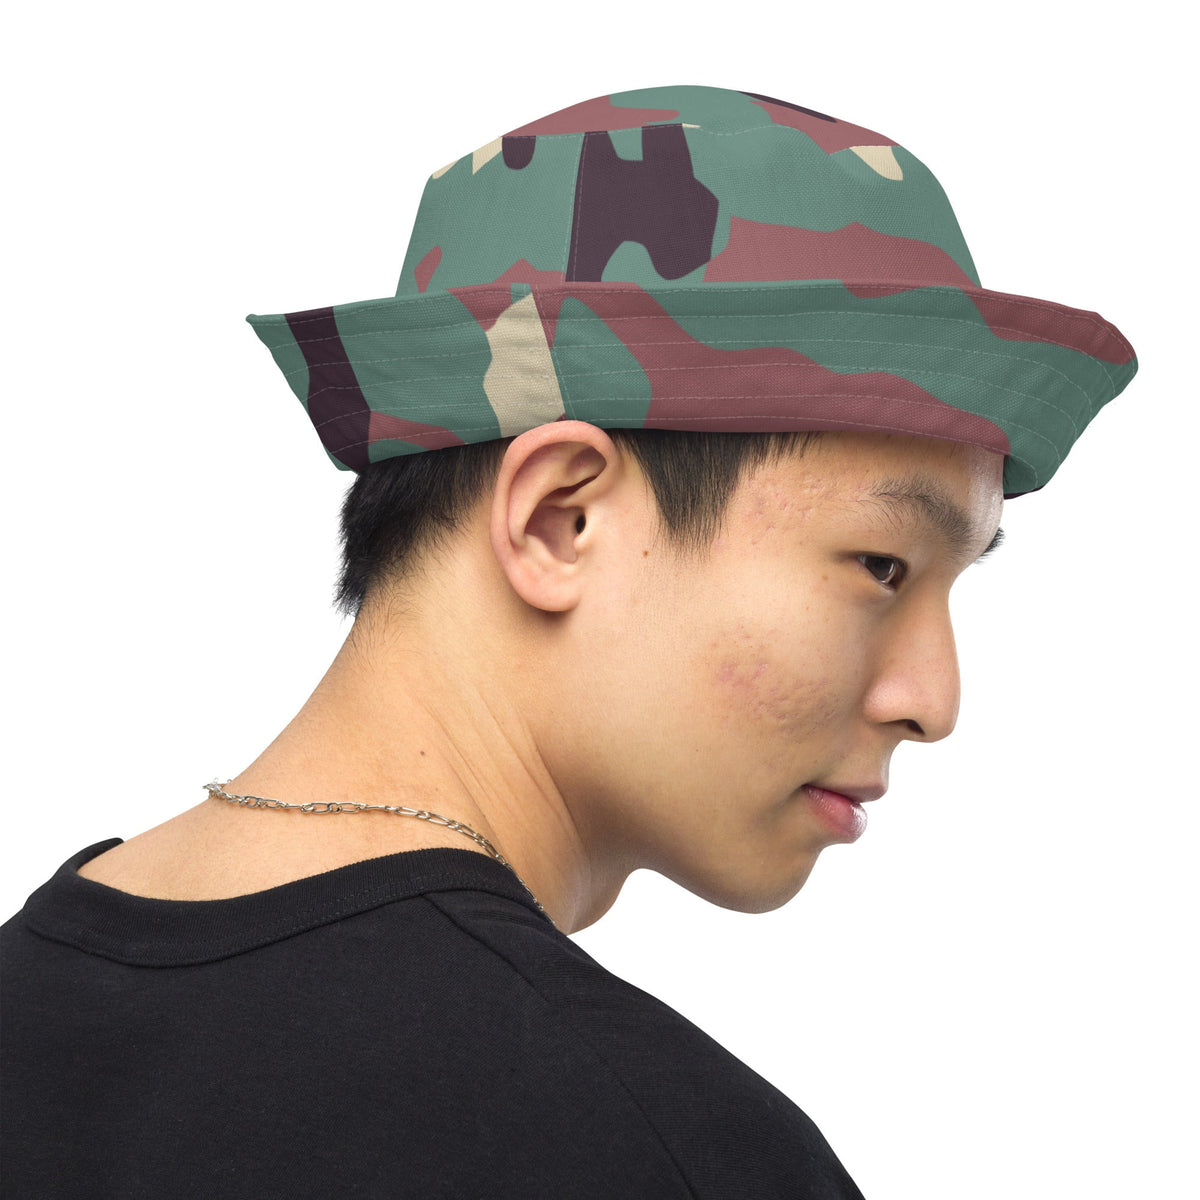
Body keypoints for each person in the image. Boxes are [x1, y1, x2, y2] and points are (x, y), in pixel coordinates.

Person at [0, 84, 1137, 1198]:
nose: (934, 701)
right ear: (560, 520)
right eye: (882, 566)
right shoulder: (660, 1150)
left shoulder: (29, 994)